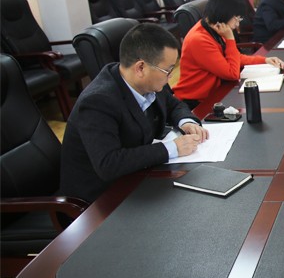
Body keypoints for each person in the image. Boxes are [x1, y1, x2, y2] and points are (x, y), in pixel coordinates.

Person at [60, 24, 208, 202]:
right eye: (168, 70)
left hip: (137, 176)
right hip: (100, 199)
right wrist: (173, 148)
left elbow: (173, 104)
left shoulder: (148, 81)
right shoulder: (97, 101)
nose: (170, 76)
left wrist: (186, 121)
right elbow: (109, 164)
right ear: (140, 68)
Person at [173, 0, 284, 108]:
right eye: (236, 18)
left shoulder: (215, 28)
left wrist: (264, 60)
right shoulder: (199, 39)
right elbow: (232, 73)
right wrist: (230, 39)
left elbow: (234, 57)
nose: (237, 24)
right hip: (197, 102)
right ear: (225, 14)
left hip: (216, 92)